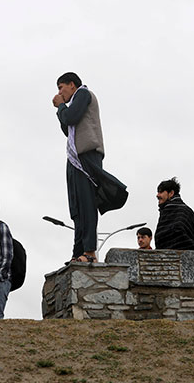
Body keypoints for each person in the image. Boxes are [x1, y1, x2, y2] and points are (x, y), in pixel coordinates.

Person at [52, 72, 128, 263]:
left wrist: (61, 106)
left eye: (61, 87)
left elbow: (70, 117)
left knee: (86, 202)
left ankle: (90, 251)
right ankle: (78, 251)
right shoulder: (74, 102)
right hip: (75, 157)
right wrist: (62, 110)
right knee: (76, 207)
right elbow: (67, 128)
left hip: (87, 154)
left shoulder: (83, 94)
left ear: (71, 84)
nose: (60, 92)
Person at [153, 177, 194, 251]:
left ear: (171, 193)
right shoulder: (165, 212)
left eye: (161, 192)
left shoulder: (184, 211)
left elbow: (180, 235)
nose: (157, 195)